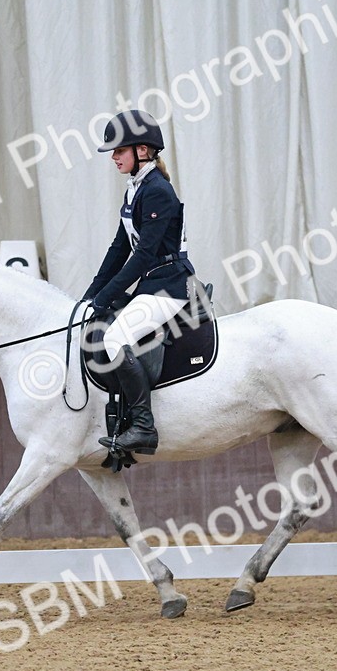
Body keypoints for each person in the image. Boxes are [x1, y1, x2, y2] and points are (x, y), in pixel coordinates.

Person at [83, 110, 195, 456]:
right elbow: (119, 249)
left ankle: (144, 426)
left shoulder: (158, 190)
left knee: (115, 339)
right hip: (150, 285)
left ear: (143, 151)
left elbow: (144, 255)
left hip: (168, 286)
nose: (114, 157)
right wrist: (90, 297)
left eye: (120, 150)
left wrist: (107, 297)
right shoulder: (137, 189)